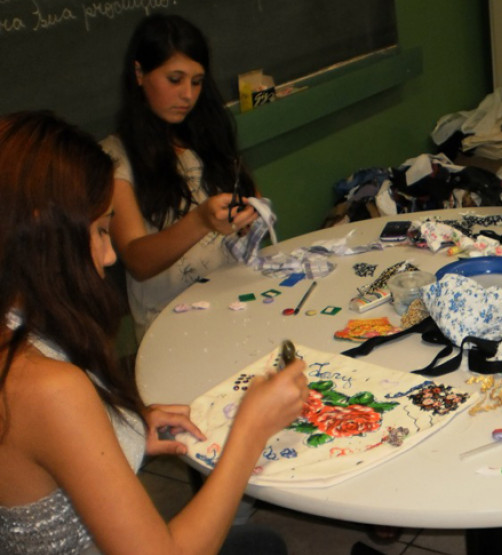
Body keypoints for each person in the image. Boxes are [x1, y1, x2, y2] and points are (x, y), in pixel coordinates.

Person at [0, 111, 308, 553]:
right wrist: (251, 430)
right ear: (41, 232)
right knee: (264, 546)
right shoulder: (48, 388)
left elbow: (39, 456)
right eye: (101, 230)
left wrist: (122, 429)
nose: (108, 257)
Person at [101, 14, 260, 340]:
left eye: (197, 81)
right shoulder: (115, 158)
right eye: (175, 79)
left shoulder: (206, 135)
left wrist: (250, 217)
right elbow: (137, 260)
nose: (188, 94)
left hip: (237, 302)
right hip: (171, 327)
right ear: (140, 74)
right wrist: (201, 220)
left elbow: (250, 196)